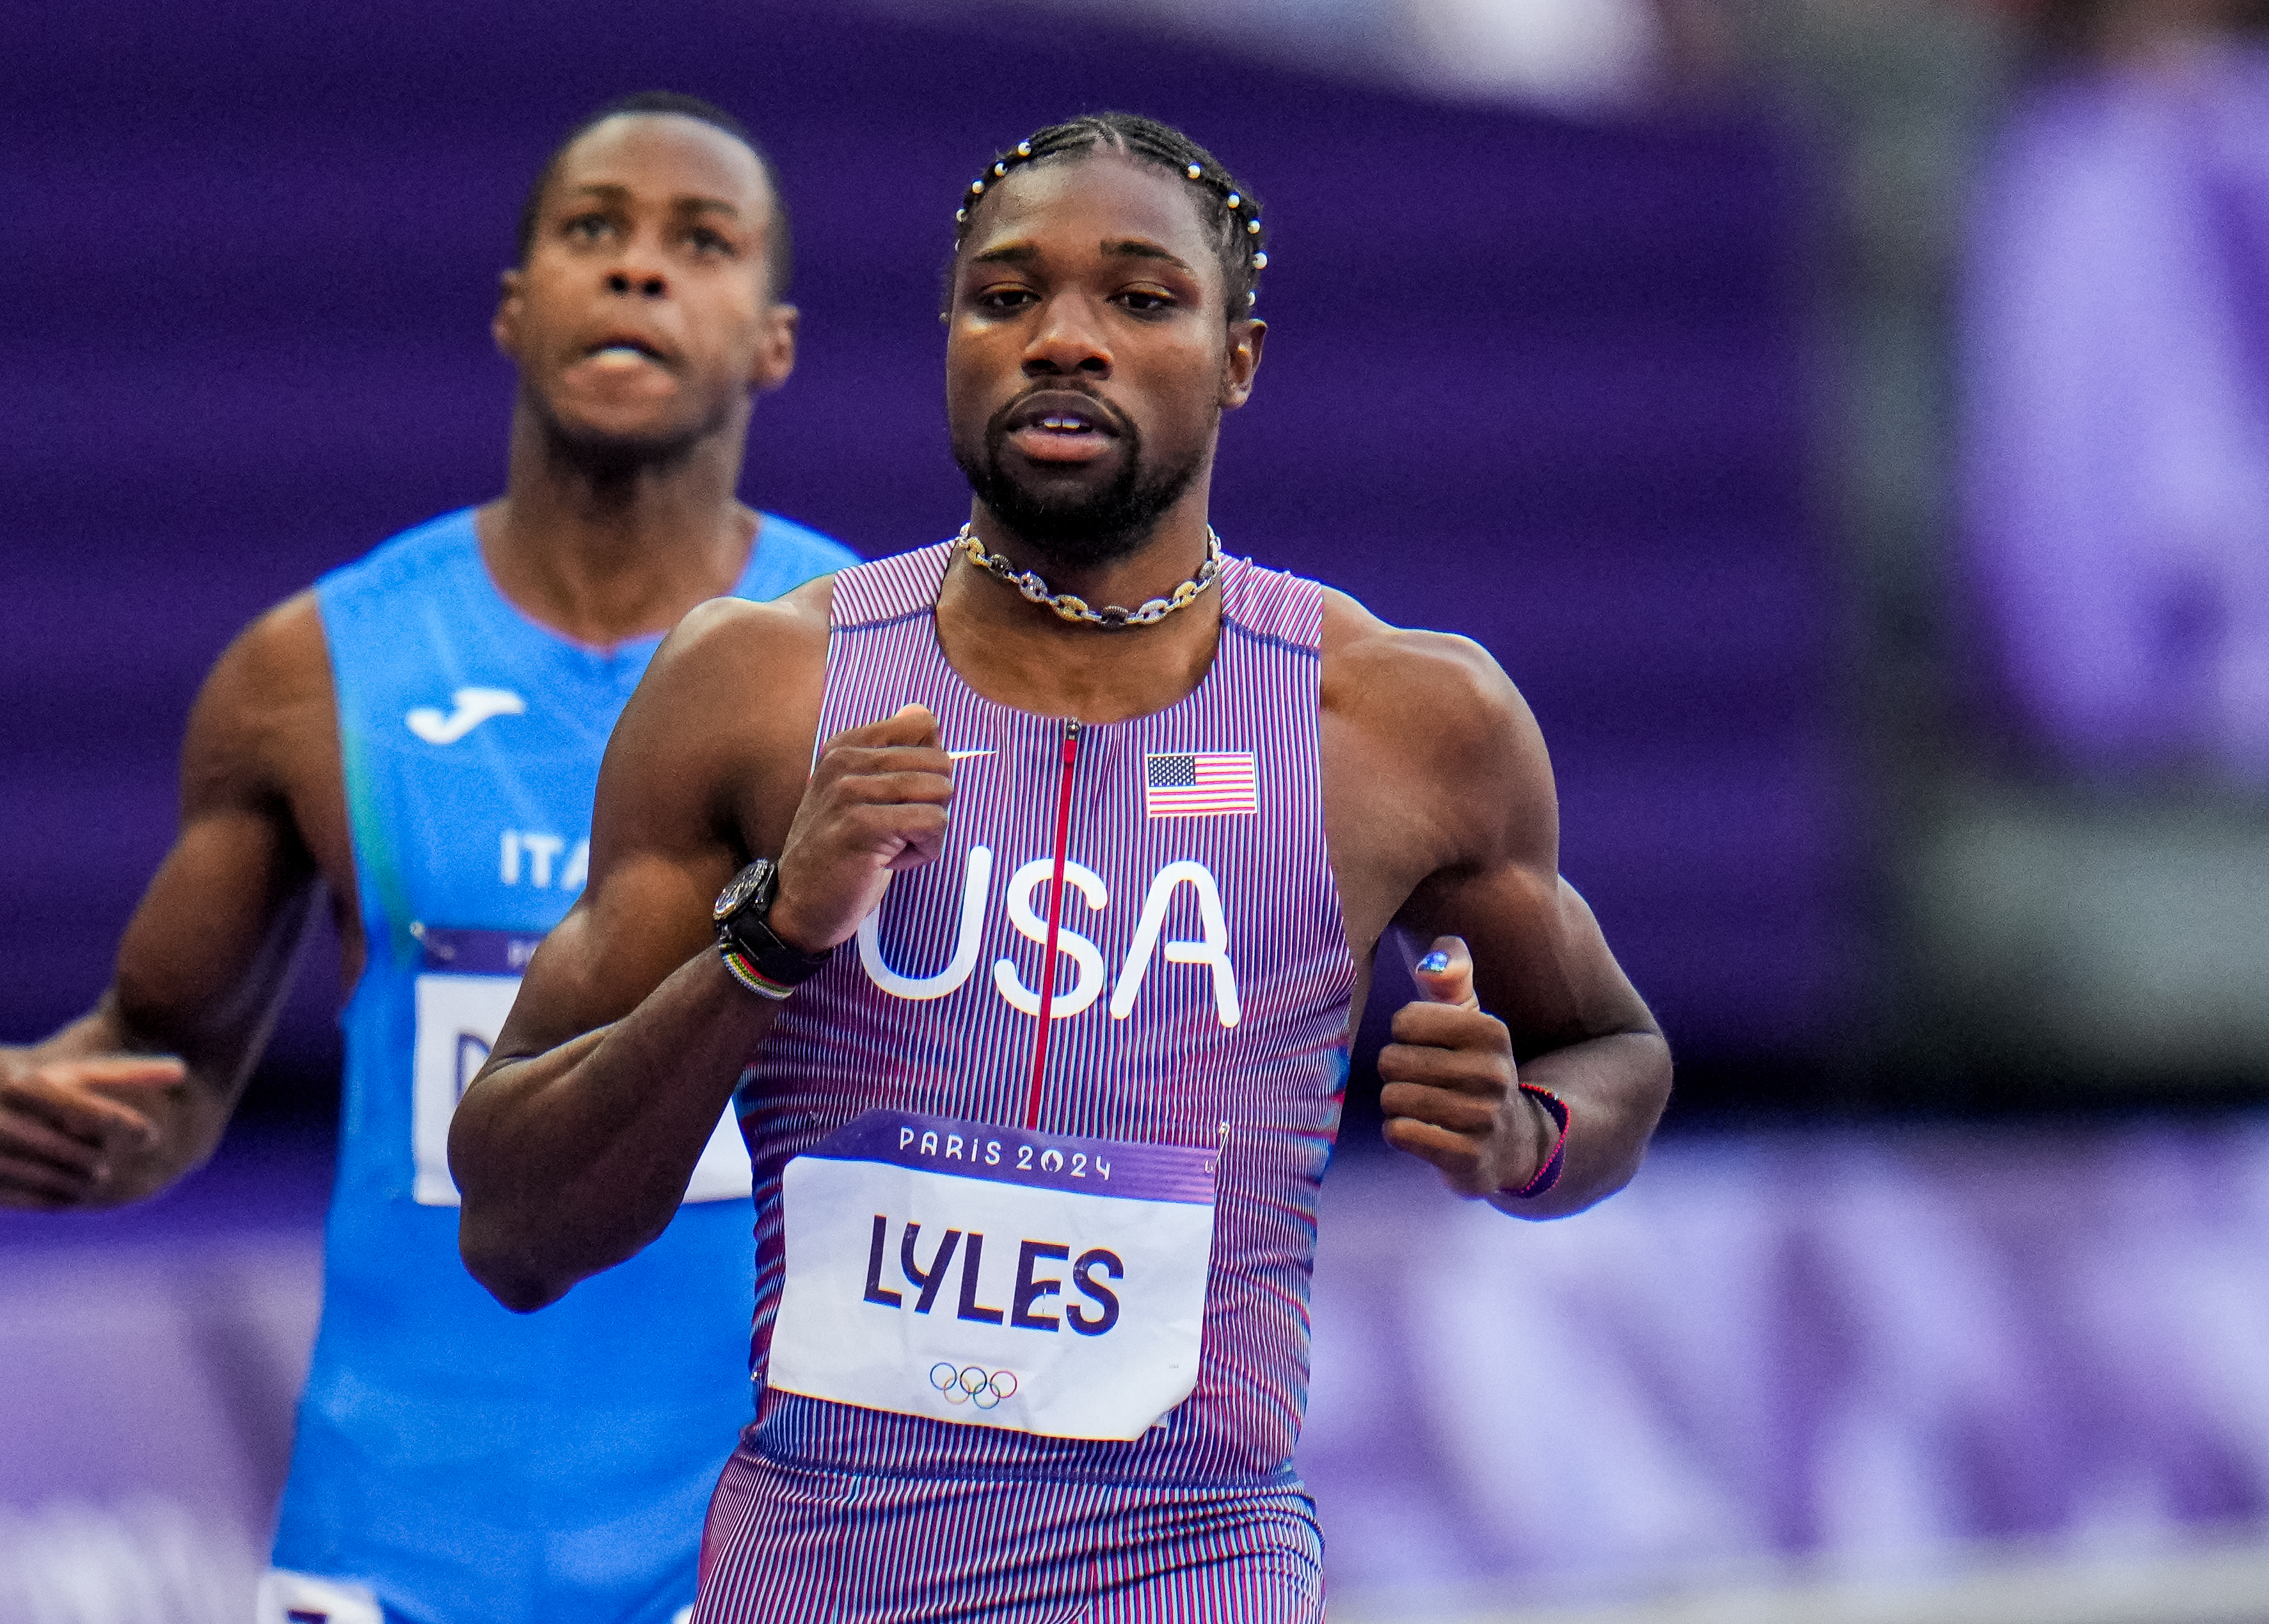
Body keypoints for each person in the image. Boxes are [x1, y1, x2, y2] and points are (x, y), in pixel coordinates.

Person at [450, 111, 1671, 1621]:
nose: (1062, 340)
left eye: (1139, 299)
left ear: (1238, 359)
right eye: (1005, 296)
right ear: (948, 339)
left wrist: (1522, 1141)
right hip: (811, 1575)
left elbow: (1613, 1051)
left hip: (1188, 1571)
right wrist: (765, 941)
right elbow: (514, 1228)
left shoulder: (1403, 724)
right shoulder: (759, 692)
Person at [0, 92, 856, 1624]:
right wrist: (3, 1102)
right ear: (512, 310)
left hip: (755, 1565)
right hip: (393, 1558)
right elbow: (157, 1081)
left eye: (701, 242)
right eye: (591, 232)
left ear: (772, 339)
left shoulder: (872, 664)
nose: (637, 271)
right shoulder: (314, 670)